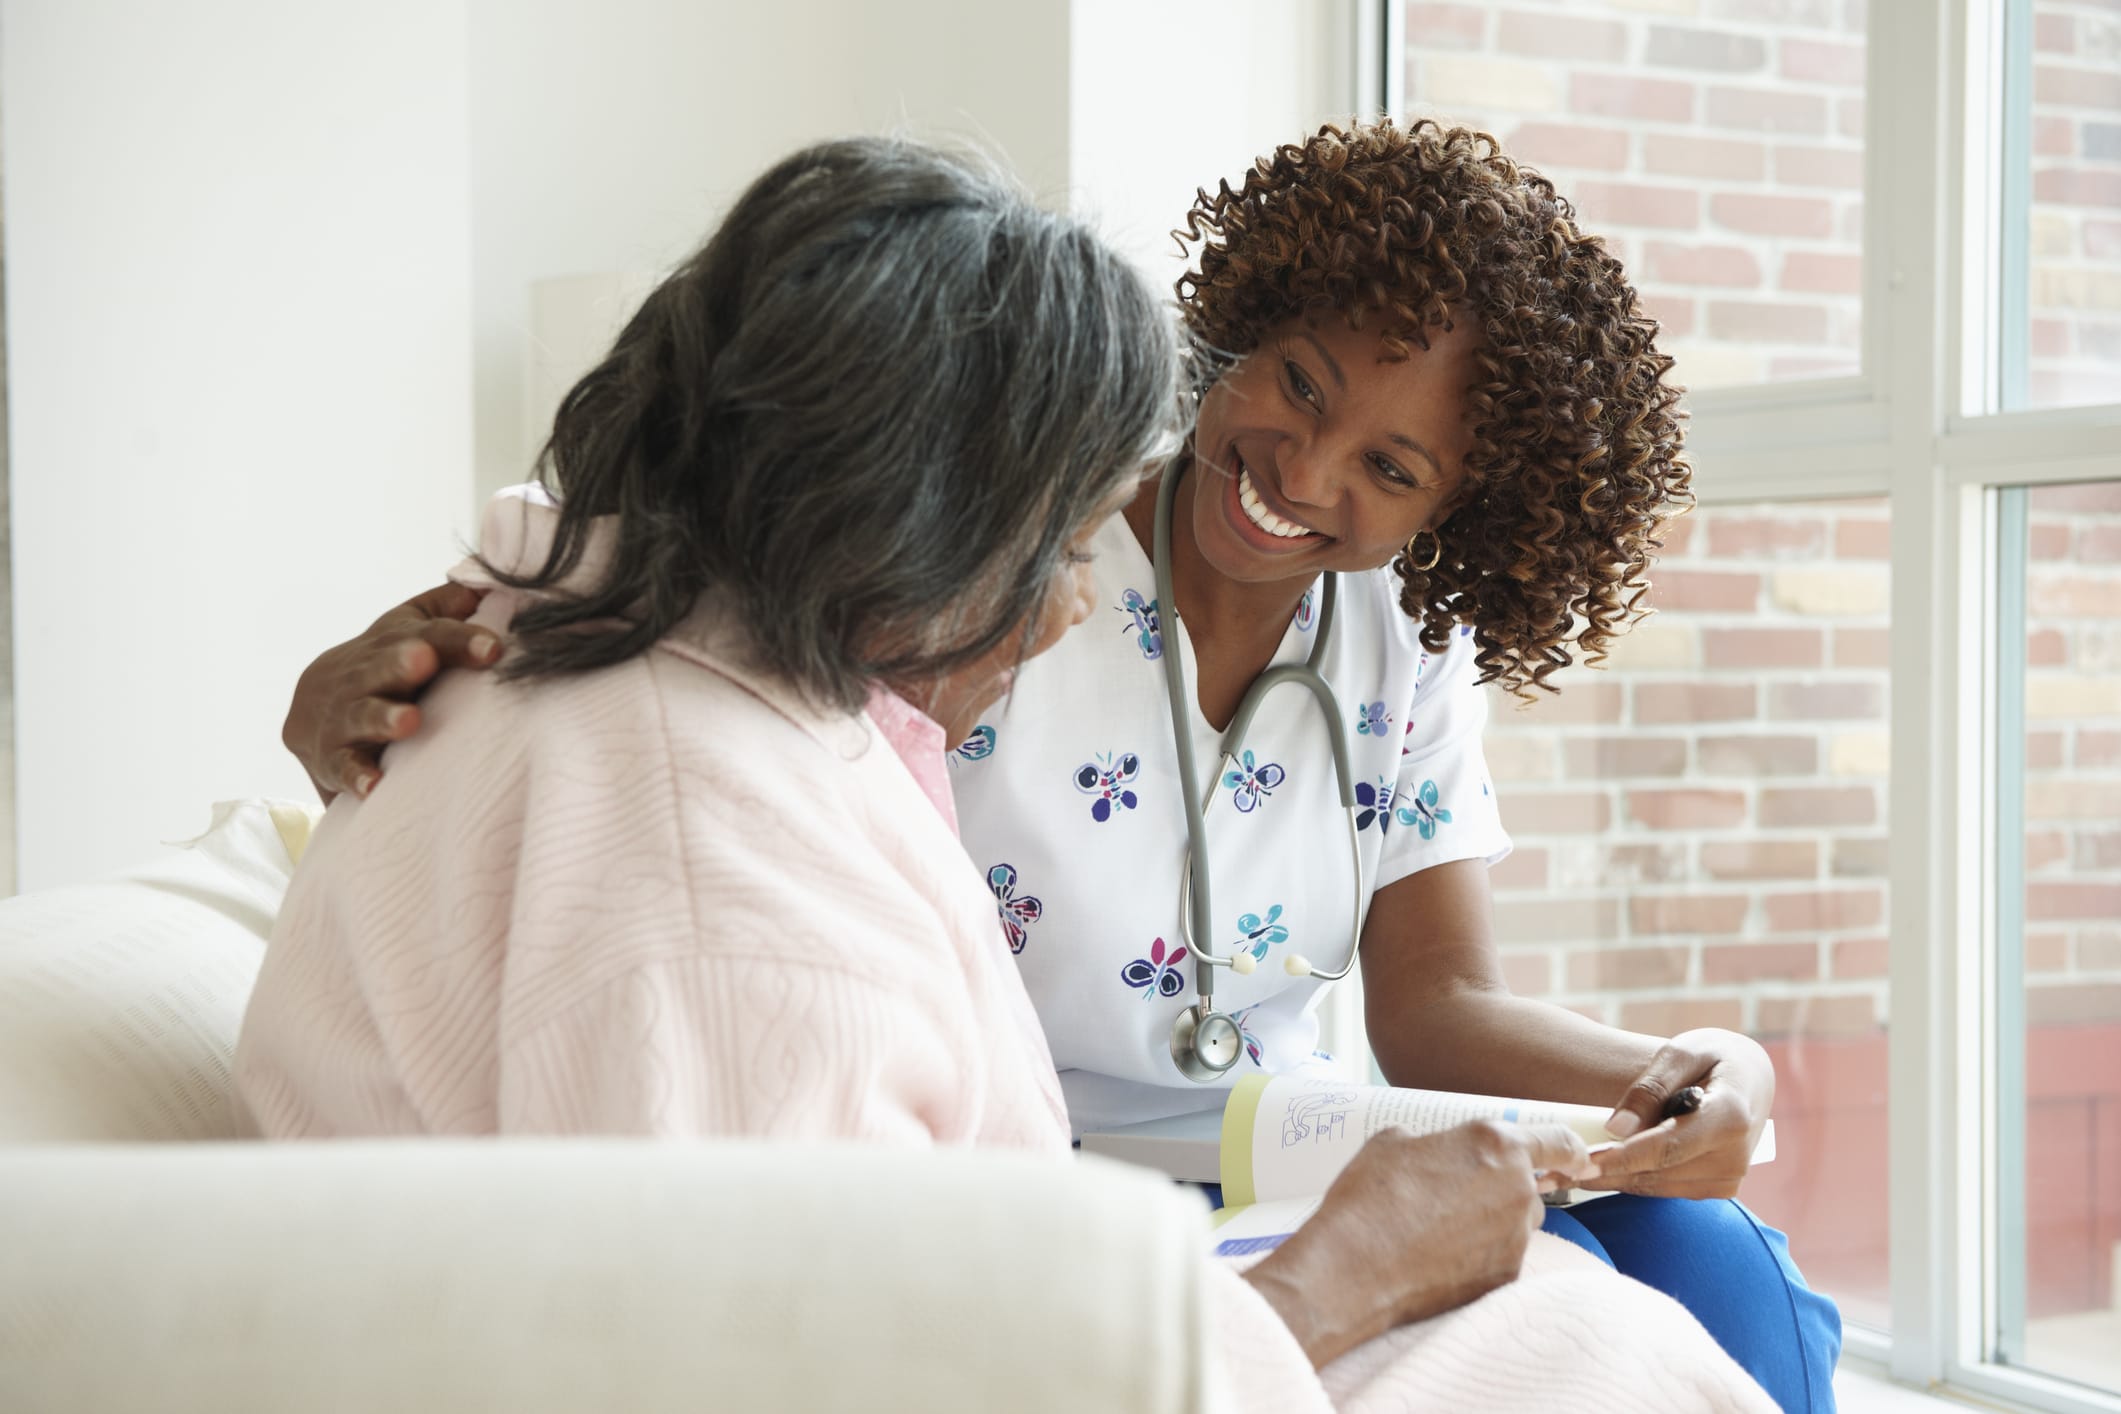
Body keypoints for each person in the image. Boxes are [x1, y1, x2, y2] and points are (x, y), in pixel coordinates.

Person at [274, 122, 1830, 1409]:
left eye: (1389, 467)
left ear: (1453, 515)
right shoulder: (978, 564)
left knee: (1712, 1265)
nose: (1302, 471)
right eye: (1295, 385)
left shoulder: (1383, 641)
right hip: (1084, 1183)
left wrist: (1683, 1070)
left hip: (1273, 1151)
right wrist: (374, 684)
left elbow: (1433, 997)